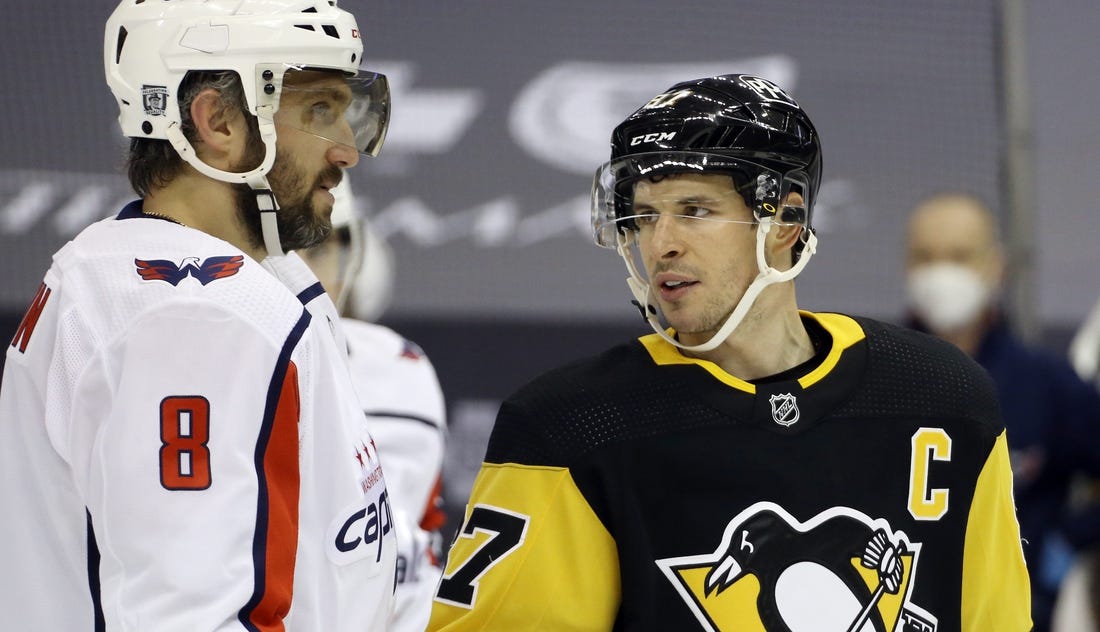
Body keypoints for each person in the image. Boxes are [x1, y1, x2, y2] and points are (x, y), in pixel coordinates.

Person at [428, 75, 1031, 631]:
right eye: (643, 215)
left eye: (695, 211)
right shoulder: (567, 426)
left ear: (786, 220)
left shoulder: (944, 396)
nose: (660, 244)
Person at [0, 0, 398, 630]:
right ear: (217, 122)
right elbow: (191, 618)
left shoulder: (195, 280)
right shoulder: (193, 314)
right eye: (319, 109)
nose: (345, 150)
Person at [904, 192, 1100, 632]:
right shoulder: (869, 376)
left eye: (958, 256)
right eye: (925, 256)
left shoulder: (1047, 385)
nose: (940, 271)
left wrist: (1071, 537)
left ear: (996, 264)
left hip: (1020, 614)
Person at [299, 180, 449, 632]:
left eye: (318, 247)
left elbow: (421, 544)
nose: (299, 273)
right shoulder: (197, 371)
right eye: (282, 248)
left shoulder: (402, 368)